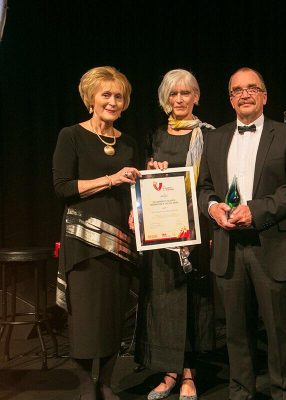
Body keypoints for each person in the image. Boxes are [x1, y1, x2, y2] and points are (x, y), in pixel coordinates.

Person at [198, 67, 286, 400]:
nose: (243, 95)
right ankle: (240, 392)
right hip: (228, 246)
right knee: (235, 331)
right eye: (236, 90)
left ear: (265, 96)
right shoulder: (216, 138)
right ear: (230, 99)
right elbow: (204, 187)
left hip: (272, 244)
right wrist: (213, 208)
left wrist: (258, 210)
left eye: (251, 89)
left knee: (279, 331)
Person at [52, 66, 140, 400]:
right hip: (84, 240)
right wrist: (110, 179)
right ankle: (85, 385)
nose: (113, 101)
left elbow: (135, 189)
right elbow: (62, 188)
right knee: (88, 318)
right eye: (106, 94)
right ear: (91, 98)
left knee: (114, 316)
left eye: (119, 96)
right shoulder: (71, 135)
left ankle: (106, 381)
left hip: (120, 241)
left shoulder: (129, 142)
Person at [134, 69, 215, 400]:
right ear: (164, 99)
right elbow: (142, 182)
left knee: (193, 300)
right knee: (164, 301)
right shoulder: (154, 135)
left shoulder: (209, 135)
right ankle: (169, 372)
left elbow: (211, 181)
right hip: (161, 232)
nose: (179, 100)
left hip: (195, 230)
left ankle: (189, 375)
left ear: (196, 96)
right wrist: (151, 172)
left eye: (186, 93)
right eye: (173, 94)